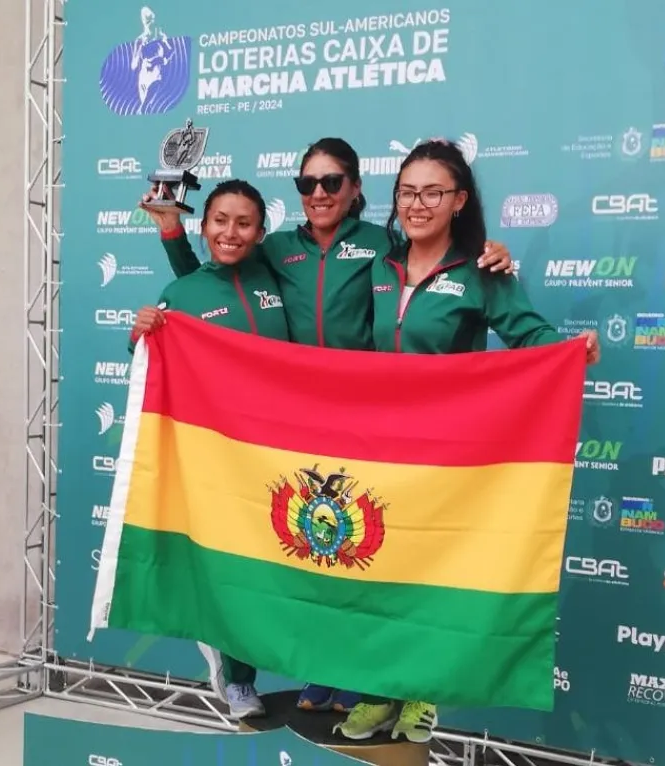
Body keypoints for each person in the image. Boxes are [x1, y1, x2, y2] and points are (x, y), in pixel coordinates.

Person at [141, 137, 517, 714]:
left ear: (355, 188)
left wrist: (489, 254)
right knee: (309, 553)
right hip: (290, 424)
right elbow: (215, 276)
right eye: (306, 184)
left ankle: (356, 672)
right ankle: (296, 668)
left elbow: (435, 258)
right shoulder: (278, 248)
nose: (318, 193)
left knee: (358, 552)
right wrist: (171, 232)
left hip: (366, 418)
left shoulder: (382, 245)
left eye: (332, 182)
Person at [332, 138, 600, 745]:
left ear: (459, 200)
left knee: (432, 575)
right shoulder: (381, 263)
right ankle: (381, 688)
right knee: (381, 572)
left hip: (449, 454)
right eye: (407, 191)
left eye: (433, 191)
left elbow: (530, 334)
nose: (418, 203)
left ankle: (424, 691)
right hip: (380, 448)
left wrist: (569, 350)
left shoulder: (483, 268)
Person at [129, 179, 288, 721]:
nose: (231, 231)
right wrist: (141, 334)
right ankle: (238, 678)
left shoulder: (275, 273)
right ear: (204, 226)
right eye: (220, 220)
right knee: (233, 570)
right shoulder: (184, 294)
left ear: (261, 233)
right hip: (221, 457)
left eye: (244, 223)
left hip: (282, 450)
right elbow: (155, 368)